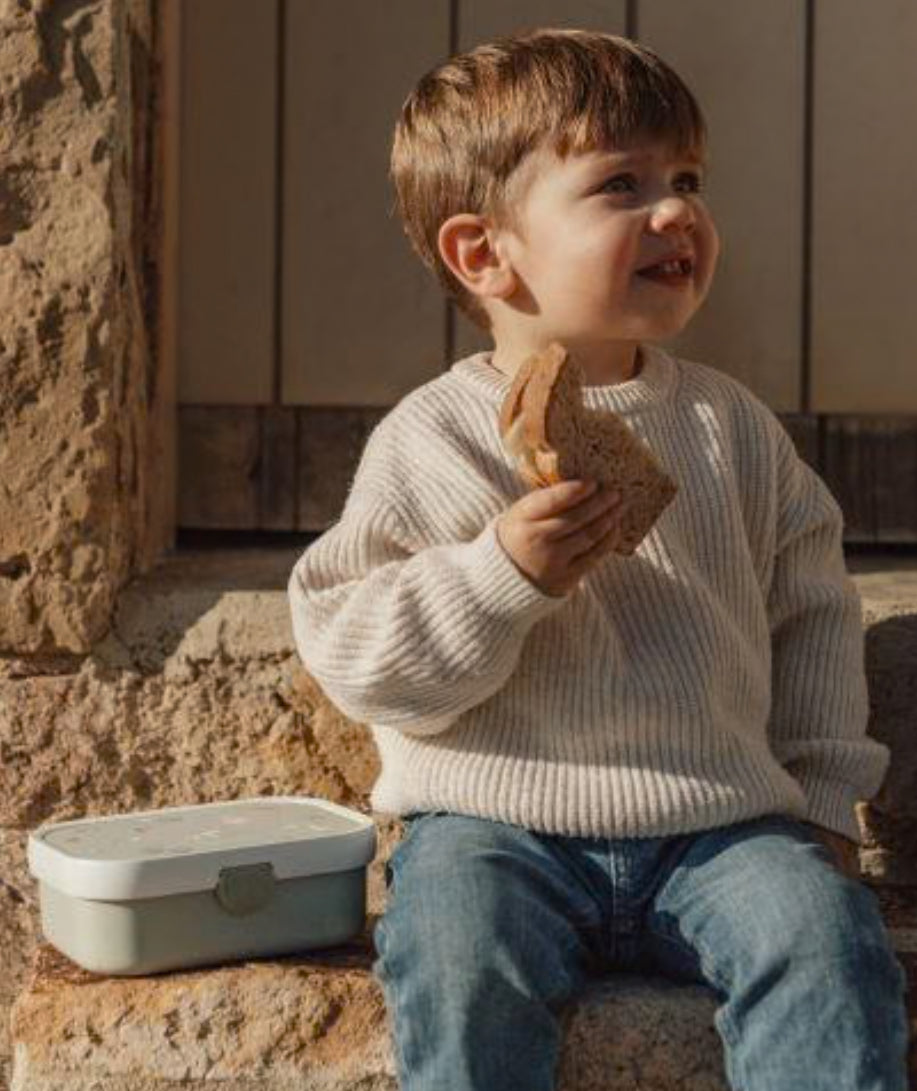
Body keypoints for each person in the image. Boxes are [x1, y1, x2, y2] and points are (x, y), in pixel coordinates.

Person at [286, 27, 909, 1091]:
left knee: (821, 938)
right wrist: (500, 578)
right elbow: (353, 654)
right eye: (621, 184)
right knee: (455, 948)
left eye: (687, 179)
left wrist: (818, 802)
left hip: (720, 822)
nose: (677, 213)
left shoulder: (732, 427)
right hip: (495, 825)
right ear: (485, 253)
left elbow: (809, 611)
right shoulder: (431, 437)